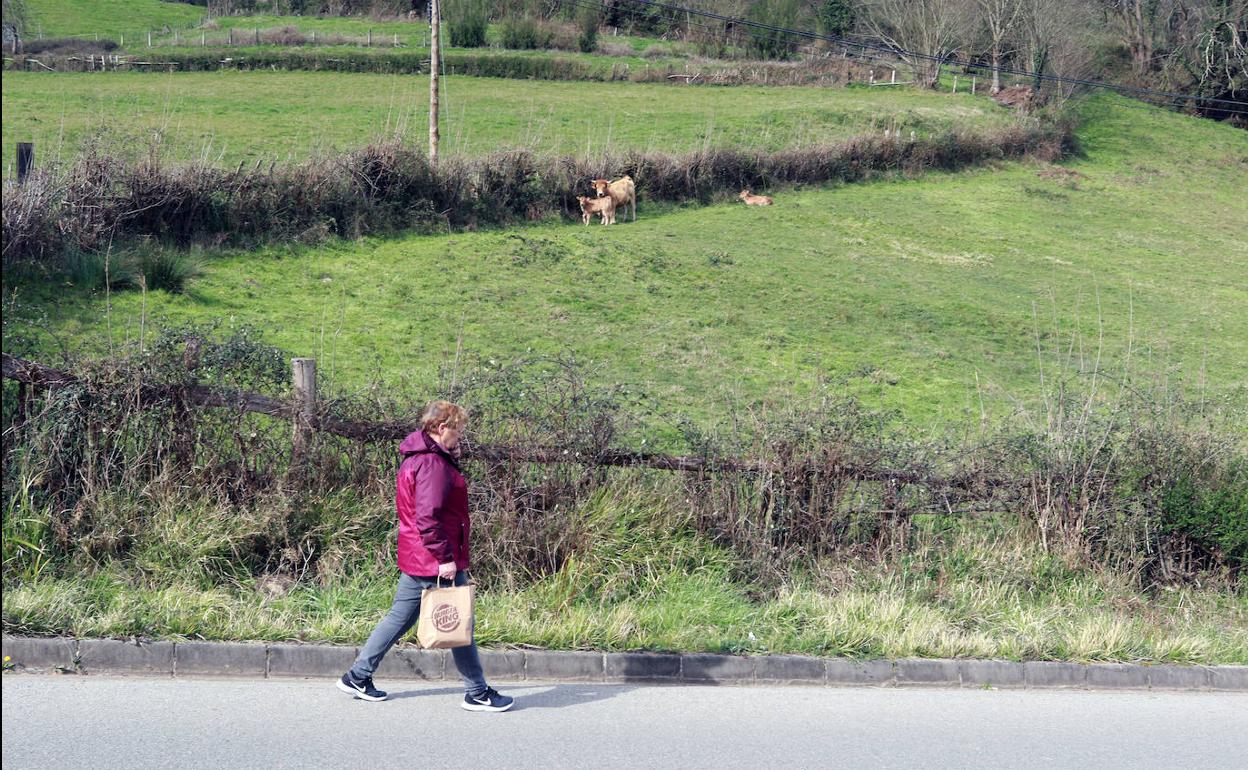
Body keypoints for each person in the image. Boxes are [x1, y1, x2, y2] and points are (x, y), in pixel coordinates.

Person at [337, 400, 514, 712]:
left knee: (399, 619)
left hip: (419, 554)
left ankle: (358, 675)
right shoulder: (432, 464)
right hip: (435, 557)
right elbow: (428, 517)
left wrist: (451, 458)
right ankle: (477, 692)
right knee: (459, 623)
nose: (460, 437)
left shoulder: (421, 458)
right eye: (458, 432)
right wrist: (445, 557)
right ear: (441, 428)